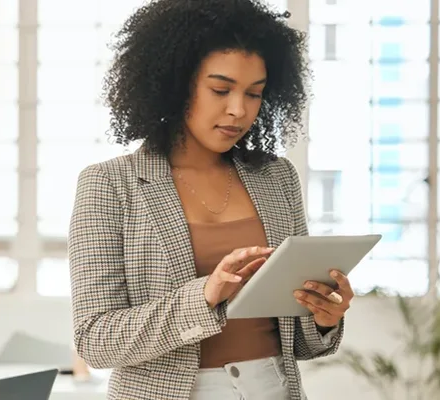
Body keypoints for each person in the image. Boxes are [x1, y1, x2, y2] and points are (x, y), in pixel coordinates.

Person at [67, 1, 354, 399]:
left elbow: (299, 342)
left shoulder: (276, 177)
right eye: (220, 89)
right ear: (176, 84)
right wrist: (205, 295)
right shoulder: (110, 185)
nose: (238, 110)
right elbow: (95, 339)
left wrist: (324, 316)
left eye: (254, 94)